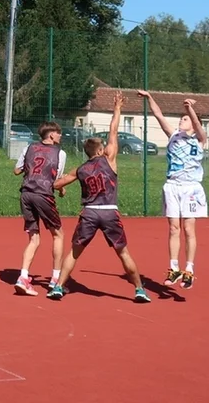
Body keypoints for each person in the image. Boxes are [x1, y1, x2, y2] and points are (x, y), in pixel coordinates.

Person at [48, 91, 151, 303]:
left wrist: (52, 184)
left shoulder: (80, 169)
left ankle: (58, 287)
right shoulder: (109, 159)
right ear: (101, 150)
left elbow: (57, 183)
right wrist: (118, 107)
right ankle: (139, 290)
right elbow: (114, 130)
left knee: (75, 253)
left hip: (89, 213)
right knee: (123, 253)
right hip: (109, 212)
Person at [137, 90, 207, 290]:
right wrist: (149, 97)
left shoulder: (200, 139)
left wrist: (189, 108)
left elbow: (197, 125)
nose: (181, 120)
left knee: (188, 229)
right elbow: (158, 115)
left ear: (193, 123)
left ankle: (189, 270)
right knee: (174, 228)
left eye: (185, 119)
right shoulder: (173, 135)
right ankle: (174, 267)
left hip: (191, 188)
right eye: (181, 118)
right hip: (172, 186)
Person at [11, 122, 67, 295]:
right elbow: (56, 181)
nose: (60, 136)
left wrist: (31, 169)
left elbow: (17, 170)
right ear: (51, 135)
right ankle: (55, 279)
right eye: (58, 133)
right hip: (43, 195)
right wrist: (62, 189)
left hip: (26, 194)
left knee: (34, 238)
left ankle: (23, 277)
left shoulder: (29, 148)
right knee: (58, 234)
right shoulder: (60, 154)